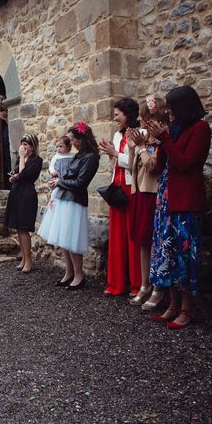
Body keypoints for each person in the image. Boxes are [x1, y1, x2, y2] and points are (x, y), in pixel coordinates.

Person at [146, 86, 211, 329]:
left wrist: (165, 139)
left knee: (184, 255)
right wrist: (159, 141)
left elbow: (185, 164)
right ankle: (171, 305)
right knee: (168, 253)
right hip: (166, 198)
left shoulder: (200, 129)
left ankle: (186, 309)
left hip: (186, 201)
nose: (169, 112)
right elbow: (161, 165)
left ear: (184, 106)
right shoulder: (174, 129)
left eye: (172, 107)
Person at [45, 122, 100, 290]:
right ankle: (69, 273)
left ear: (81, 139)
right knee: (63, 239)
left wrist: (60, 181)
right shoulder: (80, 154)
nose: (72, 143)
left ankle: (79, 275)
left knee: (72, 239)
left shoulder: (90, 157)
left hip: (75, 200)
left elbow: (81, 182)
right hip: (65, 198)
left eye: (72, 139)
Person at [125, 97, 168, 310]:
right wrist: (133, 147)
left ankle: (158, 287)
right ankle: (144, 284)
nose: (139, 120)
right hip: (140, 191)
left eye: (143, 116)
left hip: (153, 193)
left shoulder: (161, 138)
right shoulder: (144, 137)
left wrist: (141, 148)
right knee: (142, 240)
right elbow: (132, 167)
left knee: (155, 241)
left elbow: (154, 167)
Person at [99, 98, 142, 296]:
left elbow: (138, 163)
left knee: (133, 236)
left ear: (128, 114)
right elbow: (115, 163)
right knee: (116, 236)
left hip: (132, 186)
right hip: (117, 186)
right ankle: (116, 283)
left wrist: (115, 154)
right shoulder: (117, 135)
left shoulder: (141, 133)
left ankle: (137, 285)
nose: (115, 118)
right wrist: (111, 154)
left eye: (118, 114)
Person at [4, 133, 43, 273]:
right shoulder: (21, 159)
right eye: (22, 144)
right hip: (16, 193)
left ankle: (29, 260)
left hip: (26, 195)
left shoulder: (37, 160)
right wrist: (12, 178)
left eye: (25, 144)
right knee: (18, 227)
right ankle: (24, 258)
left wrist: (21, 158)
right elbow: (16, 174)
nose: (22, 147)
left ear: (32, 147)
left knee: (24, 227)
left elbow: (24, 175)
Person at [38, 136, 74, 243]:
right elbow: (51, 167)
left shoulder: (71, 157)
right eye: (57, 147)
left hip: (66, 180)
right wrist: (52, 171)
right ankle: (52, 203)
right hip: (58, 179)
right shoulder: (56, 157)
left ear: (68, 147)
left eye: (61, 146)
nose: (58, 149)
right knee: (55, 192)